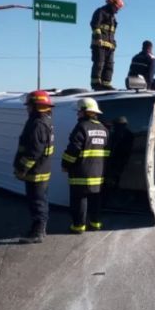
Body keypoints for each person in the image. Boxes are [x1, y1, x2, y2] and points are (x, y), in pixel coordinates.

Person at [13, 90, 55, 244]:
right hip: (41, 169)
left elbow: (33, 152)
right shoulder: (46, 120)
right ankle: (39, 229)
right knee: (40, 201)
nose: (27, 108)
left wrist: (22, 169)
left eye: (29, 105)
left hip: (36, 171)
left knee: (37, 202)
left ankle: (38, 232)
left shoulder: (38, 123)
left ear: (36, 106)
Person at [61, 98, 108, 233]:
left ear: (85, 112)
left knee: (79, 199)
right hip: (98, 173)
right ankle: (96, 224)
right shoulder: (104, 129)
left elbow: (73, 150)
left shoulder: (81, 127)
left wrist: (65, 164)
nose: (77, 114)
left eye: (79, 112)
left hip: (81, 173)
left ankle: (78, 226)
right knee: (96, 199)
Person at [90, 0, 124, 91]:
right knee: (99, 63)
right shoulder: (100, 12)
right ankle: (96, 84)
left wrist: (114, 43)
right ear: (112, 4)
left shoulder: (113, 17)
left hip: (110, 46)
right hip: (99, 44)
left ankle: (106, 84)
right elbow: (95, 25)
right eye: (117, 8)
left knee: (109, 65)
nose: (118, 10)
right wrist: (99, 38)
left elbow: (112, 32)